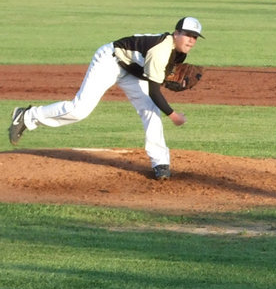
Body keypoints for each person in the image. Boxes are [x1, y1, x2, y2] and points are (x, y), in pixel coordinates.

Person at [8, 17, 204, 180]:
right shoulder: (161, 50)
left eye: (194, 37)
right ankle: (27, 116)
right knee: (80, 109)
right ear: (176, 33)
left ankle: (160, 162)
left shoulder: (179, 53)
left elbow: (155, 77)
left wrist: (165, 82)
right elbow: (154, 91)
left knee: (150, 110)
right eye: (187, 35)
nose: (191, 41)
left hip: (131, 70)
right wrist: (173, 115)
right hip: (110, 61)